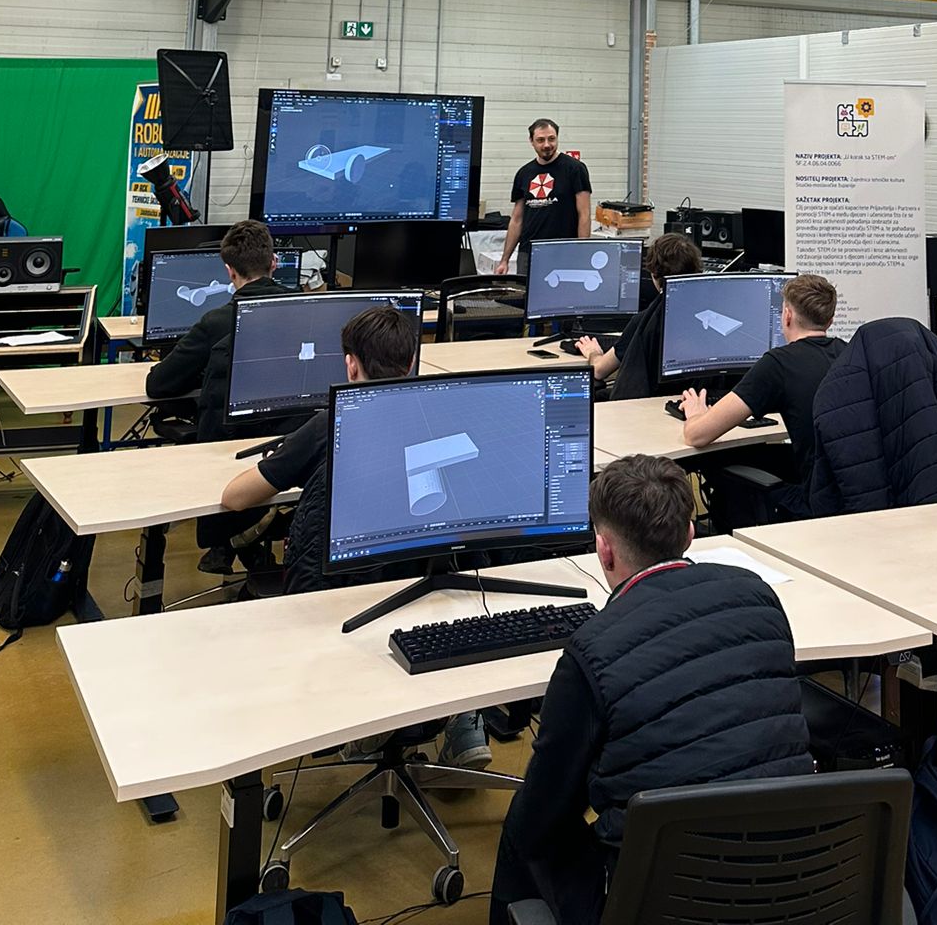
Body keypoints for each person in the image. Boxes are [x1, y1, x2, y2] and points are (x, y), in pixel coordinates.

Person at [488, 453, 812, 925]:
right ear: (690, 534)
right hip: (794, 880)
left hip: (660, 899)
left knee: (524, 825)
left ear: (604, 550)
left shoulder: (592, 650)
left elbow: (545, 812)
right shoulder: (760, 598)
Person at [219, 302, 491, 774]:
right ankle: (460, 718)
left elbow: (235, 497)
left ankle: (365, 725)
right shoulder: (447, 420)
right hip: (429, 596)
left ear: (350, 365)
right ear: (411, 362)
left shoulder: (332, 424)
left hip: (340, 603)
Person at [145, 218, 292, 572]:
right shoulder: (306, 311)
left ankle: (234, 541)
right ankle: (248, 542)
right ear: (274, 263)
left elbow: (159, 385)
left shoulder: (216, 322)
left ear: (229, 271)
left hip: (231, 451)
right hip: (289, 446)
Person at [679, 273, 844, 525]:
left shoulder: (779, 364)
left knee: (718, 462)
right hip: (850, 495)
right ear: (829, 320)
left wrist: (696, 414)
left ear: (786, 315)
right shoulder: (847, 353)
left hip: (815, 503)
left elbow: (697, 435)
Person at [575, 231, 702, 398]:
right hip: (695, 400)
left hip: (646, 404)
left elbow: (599, 370)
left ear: (654, 274)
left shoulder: (644, 322)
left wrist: (593, 352)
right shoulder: (704, 316)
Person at [496, 117, 591, 280]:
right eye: (540, 140)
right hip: (529, 253)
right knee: (526, 294)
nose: (547, 145)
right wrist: (504, 260)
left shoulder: (575, 169)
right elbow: (516, 220)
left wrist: (581, 254)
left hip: (563, 252)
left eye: (551, 139)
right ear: (531, 141)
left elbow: (585, 214)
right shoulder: (524, 173)